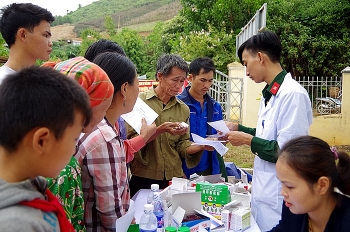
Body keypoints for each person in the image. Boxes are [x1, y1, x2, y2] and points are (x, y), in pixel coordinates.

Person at [224, 30, 313, 231]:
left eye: (246, 63)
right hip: (265, 193)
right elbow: (268, 134)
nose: (246, 72)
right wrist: (239, 128)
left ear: (261, 57)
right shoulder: (271, 93)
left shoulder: (292, 95)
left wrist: (247, 140)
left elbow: (289, 153)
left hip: (279, 199)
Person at [0, 66, 91, 232]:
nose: (74, 150)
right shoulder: (17, 224)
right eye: (74, 139)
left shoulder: (33, 186)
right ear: (42, 141)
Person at [74, 52, 156, 232]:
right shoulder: (104, 139)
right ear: (125, 89)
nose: (139, 92)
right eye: (137, 86)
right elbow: (112, 216)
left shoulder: (95, 126)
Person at [44, 56, 114, 232]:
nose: (104, 117)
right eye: (104, 109)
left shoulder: (50, 148)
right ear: (86, 109)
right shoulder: (59, 166)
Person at [128, 54, 213, 197]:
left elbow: (182, 145)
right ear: (160, 76)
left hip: (173, 178)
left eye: (182, 81)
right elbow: (132, 143)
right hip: (144, 176)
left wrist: (202, 146)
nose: (179, 86)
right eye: (175, 80)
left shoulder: (183, 109)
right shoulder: (139, 102)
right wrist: (160, 130)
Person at [84, 39, 155, 163]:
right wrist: (143, 137)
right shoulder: (100, 133)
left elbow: (118, 151)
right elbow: (111, 152)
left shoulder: (114, 117)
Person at [269, 135, 350, 232]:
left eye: (289, 186)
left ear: (322, 185)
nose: (282, 192)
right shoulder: (293, 206)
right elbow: (283, 229)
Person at [177, 57, 228, 181]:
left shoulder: (215, 107)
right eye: (202, 80)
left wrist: (222, 138)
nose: (207, 85)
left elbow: (221, 135)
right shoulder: (178, 104)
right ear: (190, 78)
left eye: (210, 81)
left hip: (209, 167)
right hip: (184, 167)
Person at [0, 3, 54, 83]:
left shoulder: (39, 81)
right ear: (23, 34)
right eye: (45, 35)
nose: (51, 43)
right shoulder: (4, 84)